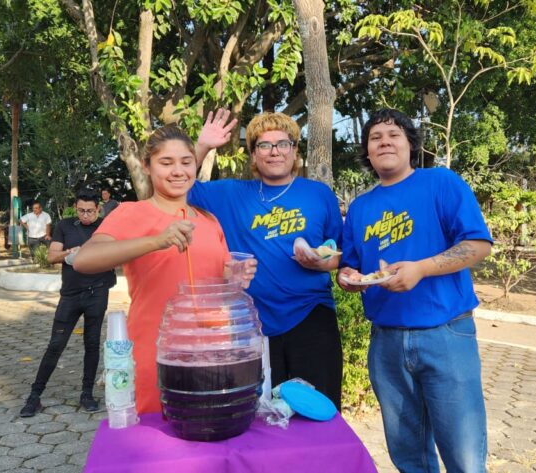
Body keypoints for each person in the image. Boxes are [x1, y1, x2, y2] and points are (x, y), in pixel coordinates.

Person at [337, 109, 493, 473]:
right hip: (386, 341)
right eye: (375, 137)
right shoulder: (360, 207)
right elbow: (355, 266)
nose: (384, 141)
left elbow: (478, 245)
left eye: (394, 134)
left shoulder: (441, 183)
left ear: (411, 145)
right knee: (409, 457)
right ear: (367, 152)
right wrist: (347, 276)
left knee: (465, 457)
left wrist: (421, 269)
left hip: (446, 333)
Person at [73, 125, 256, 414]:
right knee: (159, 439)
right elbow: (85, 259)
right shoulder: (131, 213)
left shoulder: (210, 221)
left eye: (186, 162)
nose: (178, 171)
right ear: (147, 166)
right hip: (155, 351)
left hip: (211, 352)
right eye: (166, 163)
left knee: (211, 432)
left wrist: (235, 275)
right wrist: (158, 240)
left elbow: (217, 277)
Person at [190, 110, 345, 409]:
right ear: (254, 154)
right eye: (264, 145)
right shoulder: (231, 193)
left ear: (295, 150)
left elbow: (340, 251)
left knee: (319, 409)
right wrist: (203, 146)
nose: (274, 151)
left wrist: (322, 261)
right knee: (259, 413)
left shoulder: (318, 194)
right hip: (251, 322)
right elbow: (181, 187)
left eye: (283, 143)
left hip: (311, 316)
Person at [20, 190, 116, 417]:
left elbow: (119, 254)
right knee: (56, 344)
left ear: (98, 209)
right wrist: (68, 253)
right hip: (71, 294)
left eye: (90, 211)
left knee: (92, 344)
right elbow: (52, 257)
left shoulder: (107, 226)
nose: (85, 215)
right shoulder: (65, 225)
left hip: (98, 292)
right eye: (81, 210)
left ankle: (87, 394)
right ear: (76, 207)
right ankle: (35, 396)